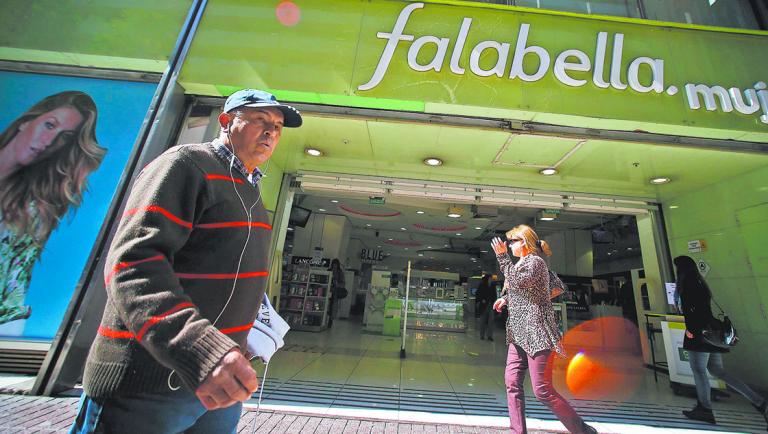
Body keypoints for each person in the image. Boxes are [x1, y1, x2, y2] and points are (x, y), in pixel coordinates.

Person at [70, 89, 302, 433]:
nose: (271, 132)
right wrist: (199, 348)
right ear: (225, 121)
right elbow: (132, 264)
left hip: (218, 385)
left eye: (278, 127)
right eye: (260, 121)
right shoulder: (186, 164)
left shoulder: (250, 190)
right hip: (148, 384)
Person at [0, 91, 104, 326]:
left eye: (64, 137)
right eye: (49, 125)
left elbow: (13, 293)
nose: (48, 142)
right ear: (27, 120)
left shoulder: (34, 212)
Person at [492, 225, 597, 434]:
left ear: (525, 243)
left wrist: (503, 259)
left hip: (537, 333)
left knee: (542, 391)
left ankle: (582, 430)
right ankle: (517, 430)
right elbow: (525, 288)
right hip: (517, 333)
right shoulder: (520, 263)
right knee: (512, 383)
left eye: (513, 241)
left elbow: (522, 282)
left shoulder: (536, 262)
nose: (509, 245)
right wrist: (506, 299)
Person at [674, 255, 768, 427]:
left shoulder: (687, 284)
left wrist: (692, 332)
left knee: (699, 370)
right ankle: (760, 402)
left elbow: (692, 313)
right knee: (718, 371)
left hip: (700, 334)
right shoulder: (701, 283)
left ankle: (704, 409)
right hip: (712, 332)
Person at [475, 274, 496, 341]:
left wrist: (494, 302)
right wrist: (481, 300)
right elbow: (478, 294)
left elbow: (494, 294)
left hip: (491, 305)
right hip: (483, 306)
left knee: (491, 320)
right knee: (482, 321)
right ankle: (482, 335)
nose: (491, 280)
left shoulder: (493, 285)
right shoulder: (482, 285)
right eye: (490, 278)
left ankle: (489, 335)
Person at [327, 258, 346, 328]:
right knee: (328, 305)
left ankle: (330, 320)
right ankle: (328, 319)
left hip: (334, 292)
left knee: (333, 306)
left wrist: (337, 284)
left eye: (335, 264)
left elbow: (343, 283)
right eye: (333, 264)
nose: (334, 266)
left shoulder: (339, 272)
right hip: (328, 291)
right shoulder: (329, 271)